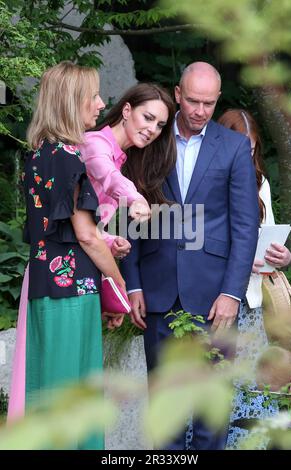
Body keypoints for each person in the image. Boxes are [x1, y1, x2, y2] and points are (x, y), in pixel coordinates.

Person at [121, 62, 260, 450]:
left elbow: (245, 226)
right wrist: (131, 282)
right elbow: (126, 214)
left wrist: (232, 293)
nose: (200, 111)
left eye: (209, 103)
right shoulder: (150, 139)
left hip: (216, 298)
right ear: (178, 95)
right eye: (193, 101)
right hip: (158, 291)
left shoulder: (232, 147)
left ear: (218, 100)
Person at [8, 61, 125, 450]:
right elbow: (87, 236)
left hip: (44, 288)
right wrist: (118, 283)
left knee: (47, 390)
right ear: (72, 103)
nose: (100, 103)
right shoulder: (69, 159)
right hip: (72, 293)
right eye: (92, 96)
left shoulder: (39, 155)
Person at [217, 108, 291, 449]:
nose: (244, 157)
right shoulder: (207, 180)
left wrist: (282, 257)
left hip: (251, 303)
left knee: (253, 391)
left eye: (250, 150)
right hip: (217, 300)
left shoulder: (259, 181)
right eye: (238, 148)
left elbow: (271, 239)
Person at [79, 82, 176, 257]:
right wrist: (136, 199)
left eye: (160, 125)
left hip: (81, 260)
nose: (153, 129)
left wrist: (110, 242)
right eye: (148, 117)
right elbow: (110, 177)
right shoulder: (95, 143)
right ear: (126, 111)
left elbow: (83, 224)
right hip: (59, 263)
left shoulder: (122, 160)